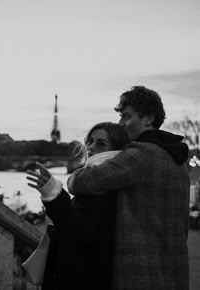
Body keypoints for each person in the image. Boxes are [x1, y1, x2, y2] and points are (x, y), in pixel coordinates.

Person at [68, 86, 190, 289]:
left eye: (126, 116)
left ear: (148, 119)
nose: (121, 123)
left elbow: (83, 182)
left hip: (139, 274)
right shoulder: (178, 161)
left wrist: (72, 177)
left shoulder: (141, 153)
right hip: (173, 271)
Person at [26, 122, 129, 290]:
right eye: (89, 141)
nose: (90, 147)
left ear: (116, 151)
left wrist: (54, 193)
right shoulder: (99, 182)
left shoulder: (103, 187)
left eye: (100, 144)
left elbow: (77, 230)